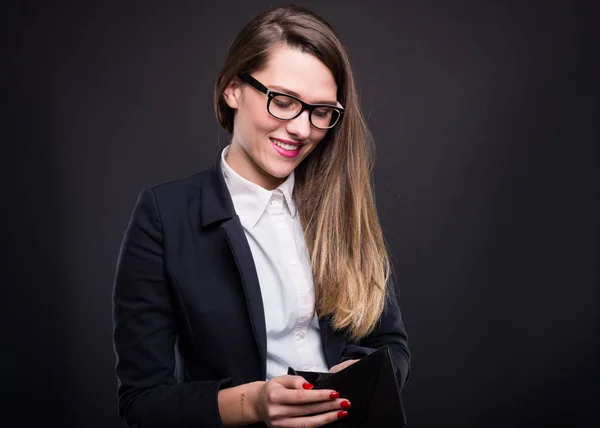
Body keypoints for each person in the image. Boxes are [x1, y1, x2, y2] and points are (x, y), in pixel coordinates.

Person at [112, 4, 410, 428]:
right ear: (232, 89)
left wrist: (363, 376)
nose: (303, 129)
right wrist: (252, 403)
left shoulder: (343, 207)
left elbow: (392, 345)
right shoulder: (164, 216)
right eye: (284, 101)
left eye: (321, 111)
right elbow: (142, 403)